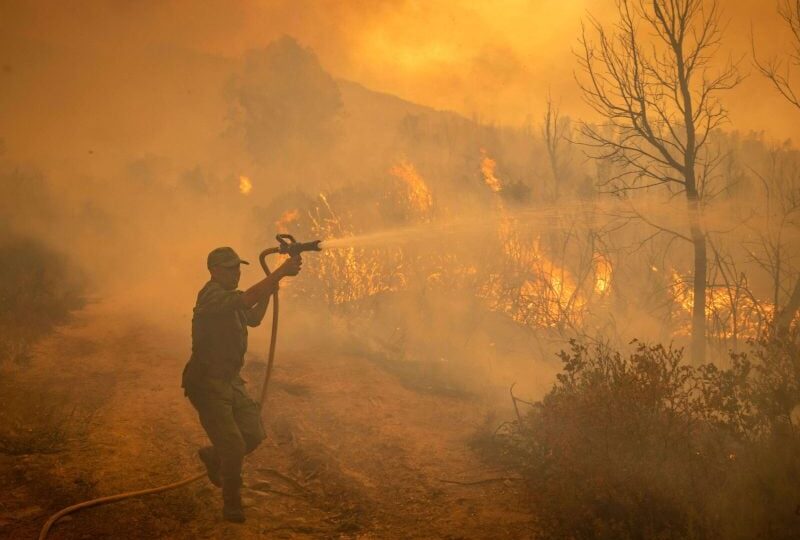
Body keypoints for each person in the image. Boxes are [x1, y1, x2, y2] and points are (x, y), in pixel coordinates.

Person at [182, 246, 302, 523]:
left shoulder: (230, 301)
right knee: (234, 446)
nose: (237, 273)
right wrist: (280, 272)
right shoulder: (212, 296)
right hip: (207, 384)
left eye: (238, 267)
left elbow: (255, 317)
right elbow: (247, 299)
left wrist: (271, 290)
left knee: (253, 433)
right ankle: (232, 506)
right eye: (230, 268)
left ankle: (214, 456)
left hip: (229, 381)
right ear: (214, 271)